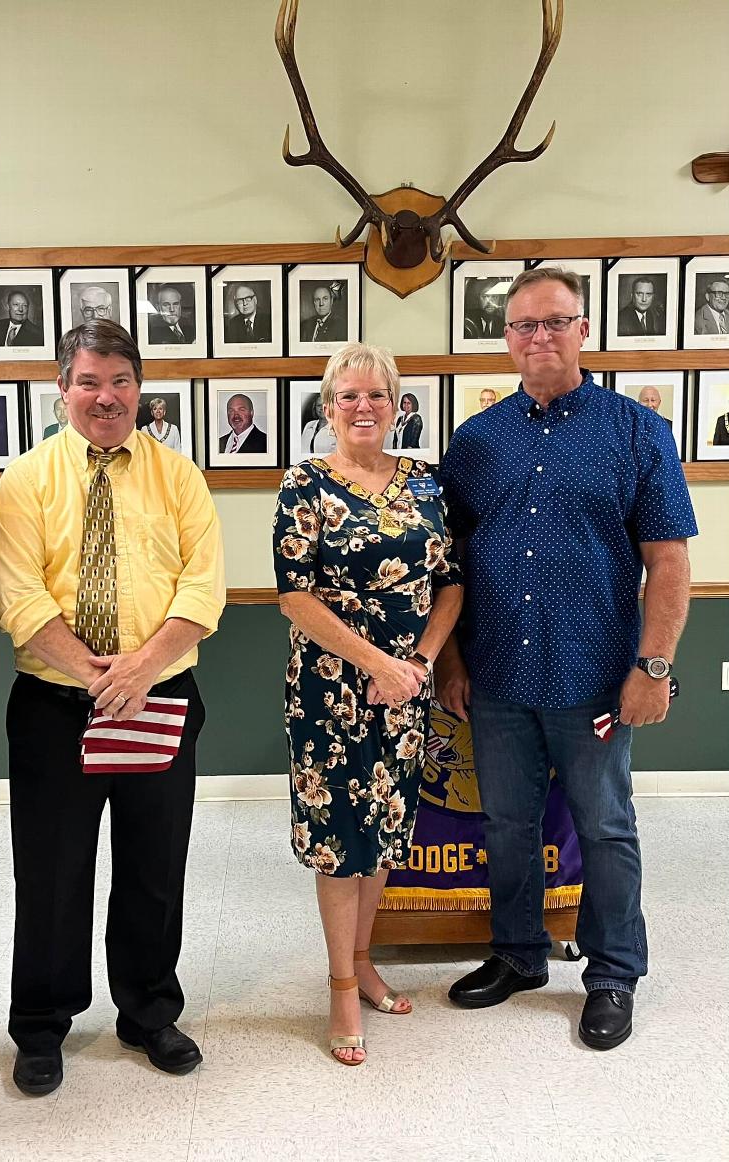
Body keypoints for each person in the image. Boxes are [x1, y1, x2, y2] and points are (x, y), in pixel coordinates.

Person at [437, 267, 697, 1051]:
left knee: (606, 827)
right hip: (497, 676)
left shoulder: (636, 430)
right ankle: (518, 955)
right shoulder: (477, 440)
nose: (539, 337)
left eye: (555, 322)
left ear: (584, 329)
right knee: (507, 825)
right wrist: (451, 664)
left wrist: (652, 669)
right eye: (523, 326)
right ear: (506, 339)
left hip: (597, 678)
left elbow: (670, 561)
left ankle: (614, 973)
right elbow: (448, 562)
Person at [0, 319, 225, 1097]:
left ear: (140, 389)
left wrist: (142, 669)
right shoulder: (26, 479)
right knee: (52, 872)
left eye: (120, 382)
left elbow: (203, 587)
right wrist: (97, 676)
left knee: (155, 866)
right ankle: (43, 1024)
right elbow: (16, 594)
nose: (106, 397)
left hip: (160, 694)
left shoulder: (178, 476)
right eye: (89, 382)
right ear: (62, 390)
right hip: (58, 704)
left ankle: (149, 1011)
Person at [272, 341, 463, 1066]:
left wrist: (413, 663)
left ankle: (364, 955)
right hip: (330, 688)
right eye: (348, 396)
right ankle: (342, 983)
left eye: (377, 395)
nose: (363, 407)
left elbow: (449, 581)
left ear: (396, 406)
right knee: (337, 833)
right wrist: (377, 663)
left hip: (405, 686)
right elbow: (295, 594)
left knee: (386, 825)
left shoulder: (425, 482)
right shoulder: (305, 484)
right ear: (327, 408)